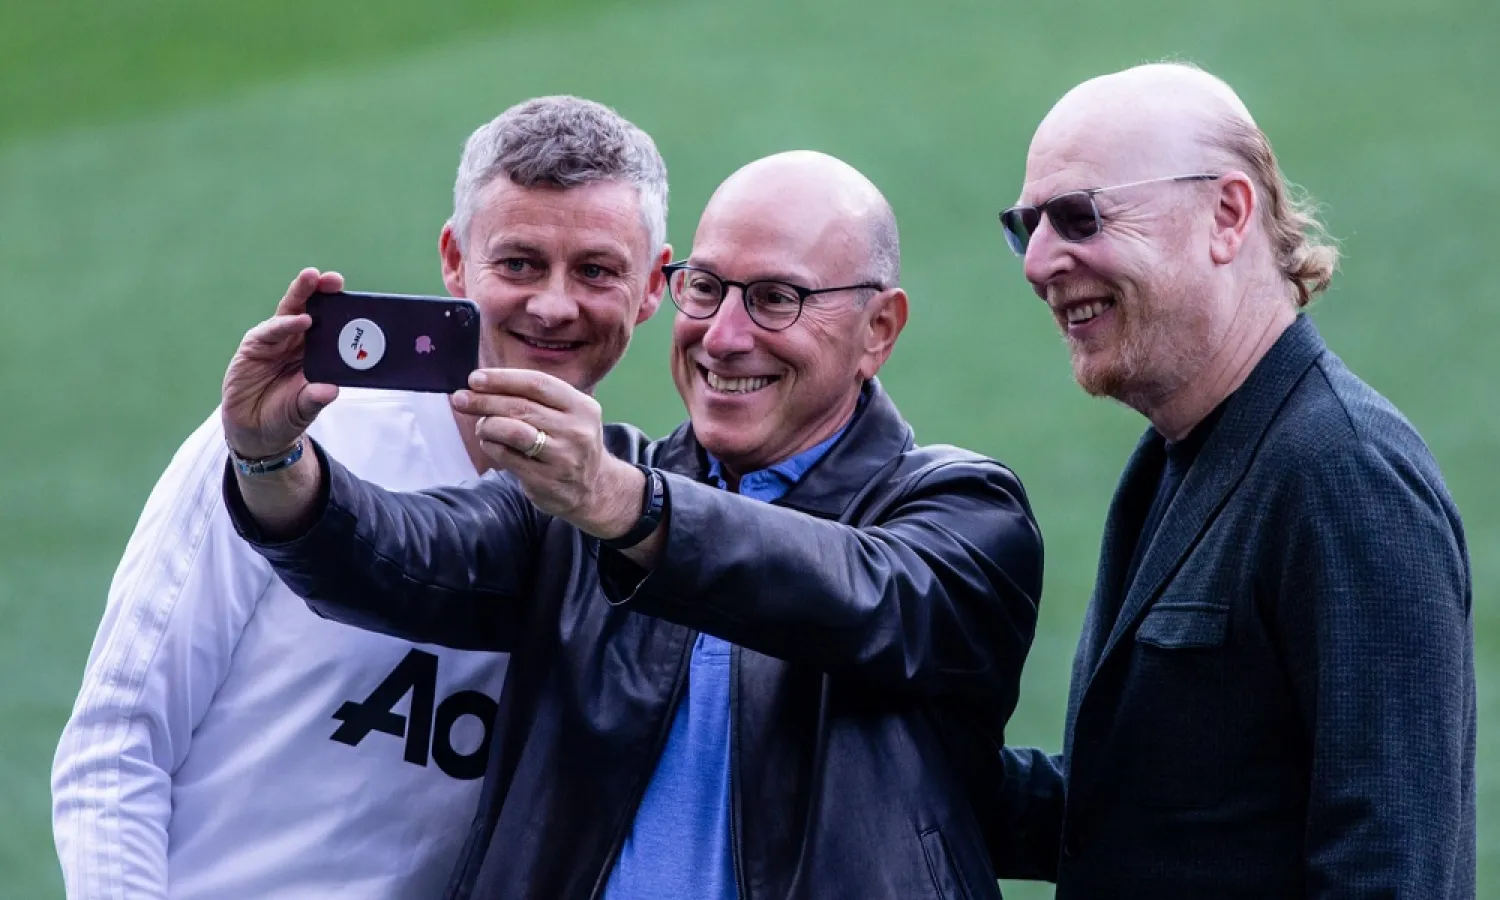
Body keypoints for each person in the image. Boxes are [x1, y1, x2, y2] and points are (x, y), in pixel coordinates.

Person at [217, 150, 1044, 900]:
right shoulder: (589, 489)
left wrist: (629, 507)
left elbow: (859, 595)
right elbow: (393, 556)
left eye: (775, 299)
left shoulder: (965, 511)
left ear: (878, 330)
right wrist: (270, 457)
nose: (723, 337)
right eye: (707, 288)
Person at [50, 95, 672, 899]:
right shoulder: (298, 435)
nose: (553, 305)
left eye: (595, 270)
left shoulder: (630, 520)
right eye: (519, 263)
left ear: (652, 287)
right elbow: (117, 743)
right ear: (455, 260)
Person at [989, 62, 1475, 898]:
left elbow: (1389, 870)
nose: (1038, 263)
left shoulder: (1344, 472)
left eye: (1078, 216)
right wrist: (873, 753)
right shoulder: (1177, 456)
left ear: (1227, 214)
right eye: (1026, 226)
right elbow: (1158, 820)